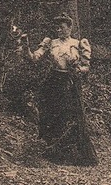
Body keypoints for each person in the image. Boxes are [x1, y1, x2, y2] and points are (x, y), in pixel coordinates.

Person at [22, 13, 98, 165]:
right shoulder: (51, 42)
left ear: (69, 28)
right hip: (53, 81)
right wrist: (26, 47)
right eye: (56, 28)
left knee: (70, 115)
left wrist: (78, 69)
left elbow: (86, 67)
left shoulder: (79, 43)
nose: (58, 30)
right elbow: (35, 57)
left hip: (69, 82)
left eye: (62, 27)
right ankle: (54, 151)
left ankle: (71, 153)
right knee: (52, 114)